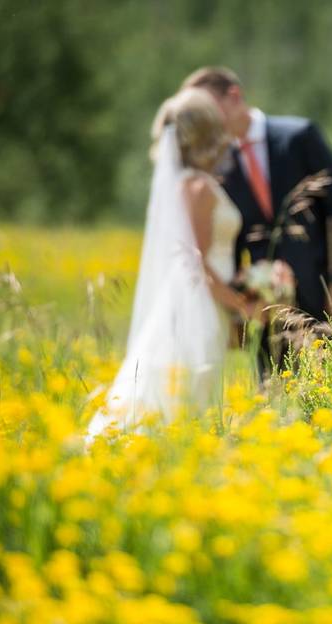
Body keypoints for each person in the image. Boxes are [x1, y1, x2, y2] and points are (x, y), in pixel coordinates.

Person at [86, 88, 256, 442]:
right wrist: (240, 304)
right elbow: (196, 262)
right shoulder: (199, 188)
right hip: (200, 307)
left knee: (184, 391)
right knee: (186, 393)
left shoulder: (187, 184)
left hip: (201, 303)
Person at [181, 67, 332, 377]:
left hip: (326, 292)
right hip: (266, 309)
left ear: (234, 96)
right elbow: (230, 241)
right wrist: (239, 307)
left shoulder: (299, 136)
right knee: (277, 397)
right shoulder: (217, 164)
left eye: (211, 108)